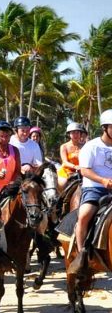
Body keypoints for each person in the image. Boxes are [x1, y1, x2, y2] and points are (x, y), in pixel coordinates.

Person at [67, 110, 112, 275]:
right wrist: (102, 180)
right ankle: (81, 256)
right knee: (84, 215)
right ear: (105, 127)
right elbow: (85, 171)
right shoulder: (92, 146)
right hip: (94, 188)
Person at [58, 121, 87, 188]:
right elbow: (65, 162)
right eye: (73, 133)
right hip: (66, 171)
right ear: (69, 134)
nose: (76, 135)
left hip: (81, 171)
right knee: (63, 183)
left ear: (80, 134)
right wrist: (75, 167)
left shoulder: (85, 146)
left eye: (77, 132)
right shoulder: (64, 146)